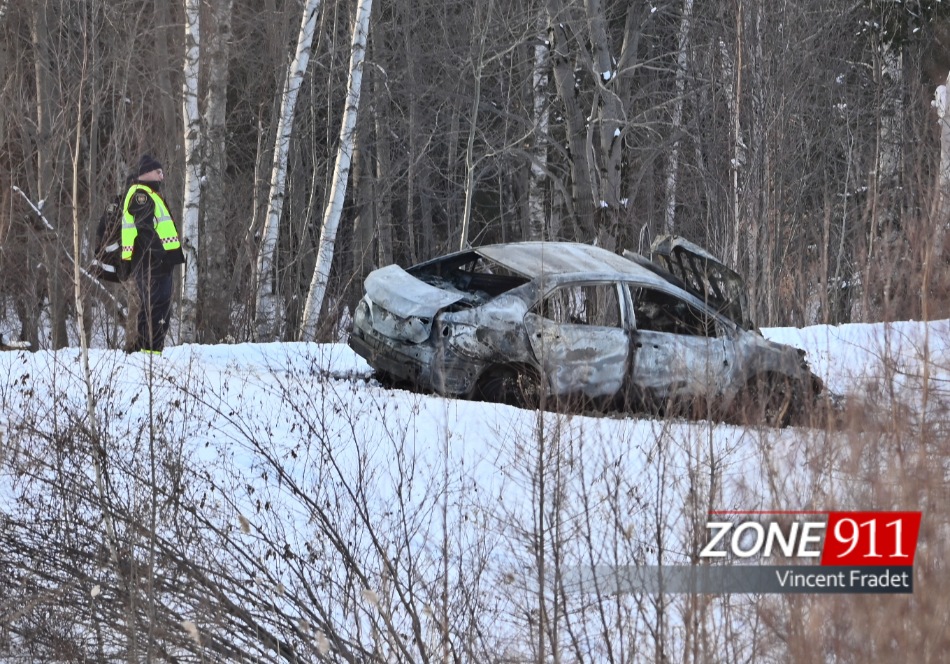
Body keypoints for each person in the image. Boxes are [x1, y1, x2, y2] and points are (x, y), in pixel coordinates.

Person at [121, 154, 185, 355]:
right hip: (152, 262)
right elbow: (145, 229)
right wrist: (162, 256)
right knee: (156, 307)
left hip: (157, 262)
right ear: (146, 173)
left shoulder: (149, 194)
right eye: (158, 172)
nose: (162, 177)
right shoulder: (141, 195)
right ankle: (149, 354)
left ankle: (150, 352)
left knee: (160, 307)